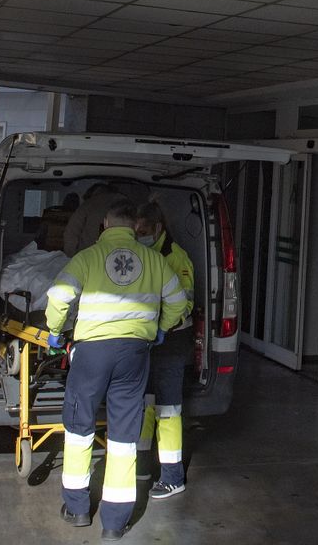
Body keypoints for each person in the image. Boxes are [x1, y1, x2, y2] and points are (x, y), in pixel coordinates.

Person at [46, 196, 190, 540]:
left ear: (105, 226)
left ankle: (78, 508)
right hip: (134, 354)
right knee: (124, 433)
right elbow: (179, 301)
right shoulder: (154, 260)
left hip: (92, 353)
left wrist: (55, 332)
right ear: (133, 228)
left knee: (80, 428)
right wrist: (160, 329)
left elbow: (58, 296)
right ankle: (115, 521)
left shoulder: (87, 258)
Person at [133, 201, 195, 499]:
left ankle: (172, 477)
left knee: (168, 410)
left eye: (144, 230)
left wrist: (159, 326)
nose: (139, 234)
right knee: (144, 405)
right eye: (136, 230)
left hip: (171, 341)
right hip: (148, 339)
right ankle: (142, 466)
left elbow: (184, 304)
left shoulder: (175, 257)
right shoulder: (144, 253)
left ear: (158, 228)